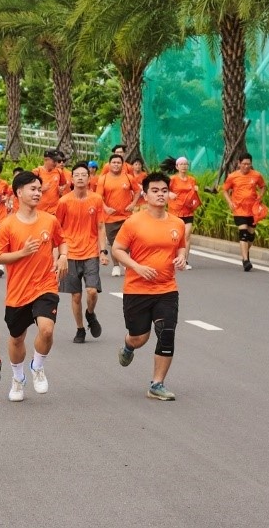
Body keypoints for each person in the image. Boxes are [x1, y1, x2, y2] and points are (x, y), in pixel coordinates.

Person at [0, 171, 68, 402]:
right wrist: (22, 253)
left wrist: (63, 257)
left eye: (39, 189)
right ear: (19, 193)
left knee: (46, 329)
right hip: (18, 292)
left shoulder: (49, 220)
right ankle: (18, 377)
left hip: (45, 285)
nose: (37, 193)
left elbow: (62, 241)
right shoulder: (7, 225)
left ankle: (37, 365)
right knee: (17, 338)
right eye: (32, 189)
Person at [112, 172, 187, 401]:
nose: (160, 194)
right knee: (140, 337)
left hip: (166, 289)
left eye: (164, 190)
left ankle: (157, 384)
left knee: (166, 333)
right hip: (137, 289)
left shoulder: (177, 223)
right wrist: (137, 267)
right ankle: (128, 345)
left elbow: (181, 246)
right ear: (145, 194)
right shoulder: (134, 222)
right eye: (155, 190)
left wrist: (182, 258)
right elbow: (117, 249)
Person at [55, 162, 108, 343]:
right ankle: (80, 329)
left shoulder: (96, 200)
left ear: (89, 178)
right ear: (71, 179)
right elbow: (57, 230)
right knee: (76, 295)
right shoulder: (63, 202)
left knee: (92, 291)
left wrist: (103, 251)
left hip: (91, 252)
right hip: (70, 254)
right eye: (76, 175)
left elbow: (100, 227)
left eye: (83, 175)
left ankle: (90, 314)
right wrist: (57, 257)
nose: (80, 177)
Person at [96, 154, 139, 277]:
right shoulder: (103, 179)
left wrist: (133, 204)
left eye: (118, 162)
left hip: (126, 216)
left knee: (128, 242)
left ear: (122, 164)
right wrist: (106, 208)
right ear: (109, 165)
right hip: (110, 217)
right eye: (113, 162)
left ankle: (127, 263)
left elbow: (137, 191)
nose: (116, 165)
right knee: (114, 243)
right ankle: (116, 266)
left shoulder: (129, 177)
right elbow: (99, 197)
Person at [222, 153, 266, 272]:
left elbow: (263, 186)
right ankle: (245, 260)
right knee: (243, 233)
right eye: (244, 164)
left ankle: (245, 252)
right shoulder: (232, 176)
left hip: (253, 210)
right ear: (239, 163)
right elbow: (225, 190)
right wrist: (230, 202)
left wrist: (260, 197)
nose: (246, 166)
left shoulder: (256, 175)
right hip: (239, 209)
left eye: (248, 164)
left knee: (251, 235)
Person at [167, 157, 200, 270]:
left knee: (187, 235)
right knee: (175, 236)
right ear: (177, 166)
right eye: (181, 164)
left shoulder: (192, 179)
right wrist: (169, 194)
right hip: (175, 211)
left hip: (188, 211)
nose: (184, 166)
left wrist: (196, 190)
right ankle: (171, 257)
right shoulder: (173, 179)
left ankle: (184, 260)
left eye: (186, 164)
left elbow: (194, 194)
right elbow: (164, 190)